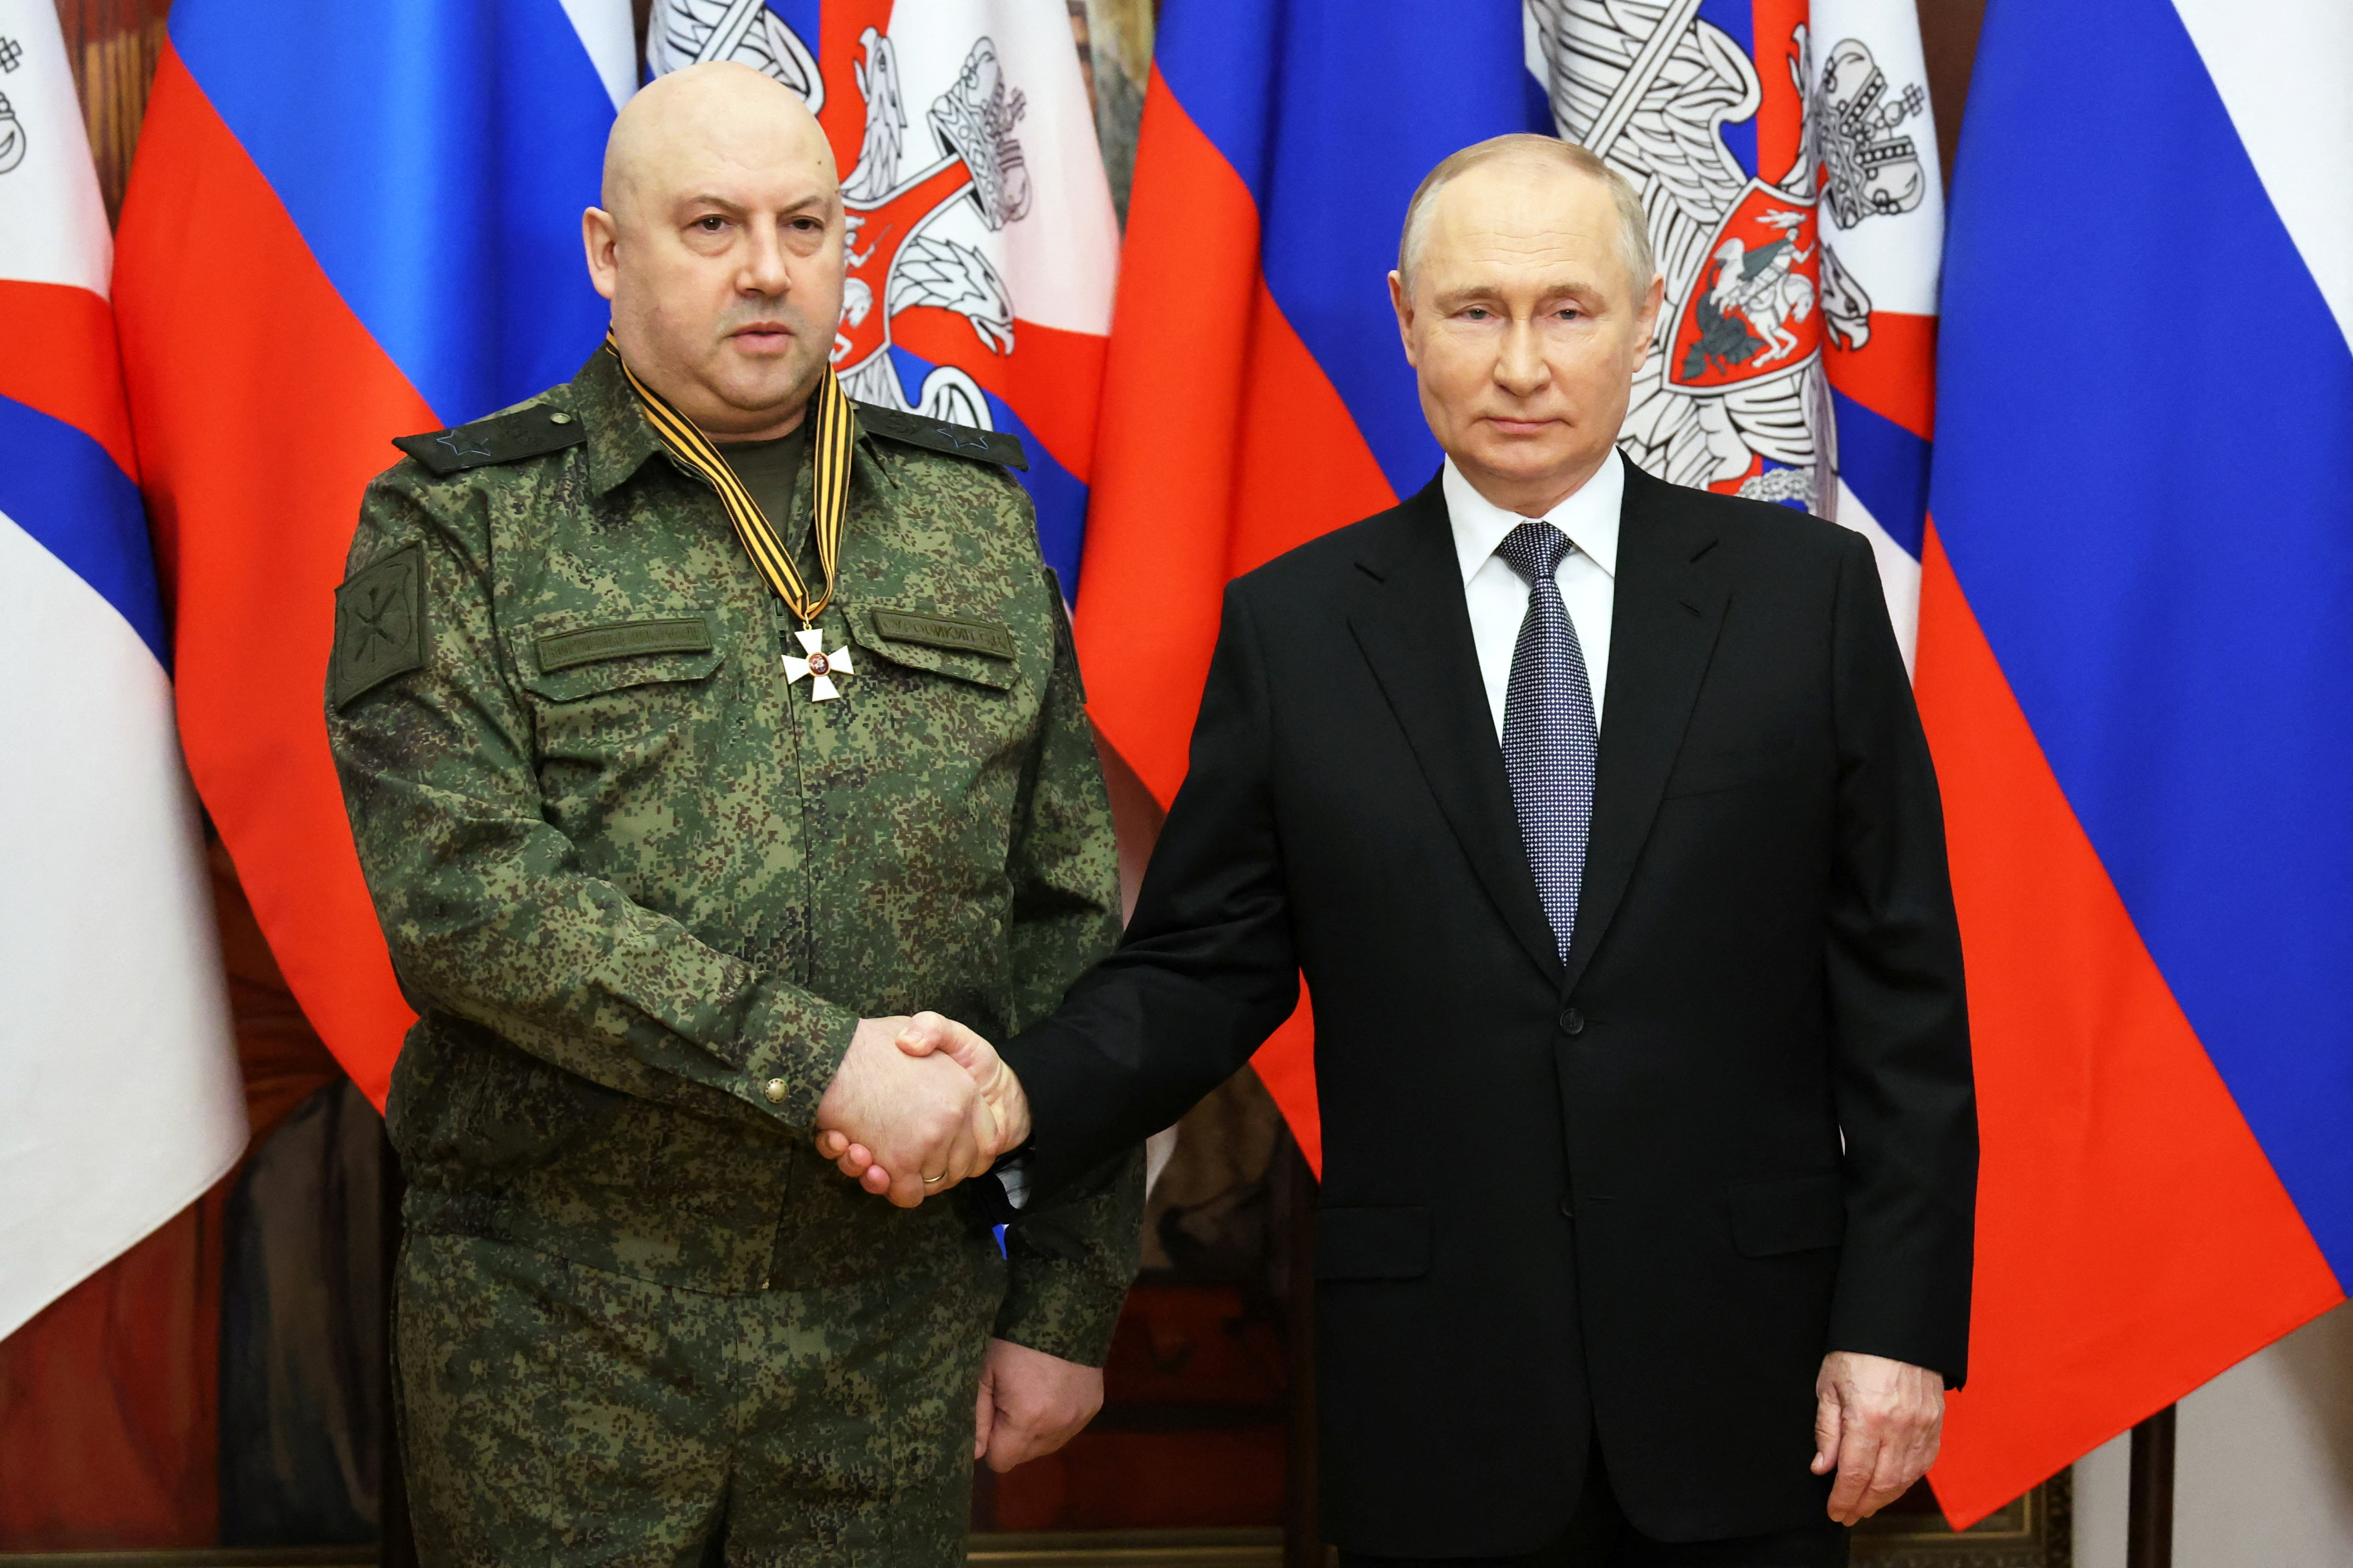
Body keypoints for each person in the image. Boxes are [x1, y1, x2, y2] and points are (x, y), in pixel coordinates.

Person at [823, 135, 1977, 1566]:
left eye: (1565, 310)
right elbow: (1199, 973)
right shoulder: (1296, 631)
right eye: (1474, 310)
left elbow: (1903, 1006)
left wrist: (1897, 1329)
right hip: (1436, 1405)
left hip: (1747, 1384)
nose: (1519, 363)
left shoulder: (1801, 604)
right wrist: (1008, 1096)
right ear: (1403, 321)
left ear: (1644, 317)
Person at [325, 62, 1136, 1567]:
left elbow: (1067, 926)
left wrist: (1067, 1299)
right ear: (605, 253)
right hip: (558, 1341)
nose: (767, 270)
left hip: (889, 1343)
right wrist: (818, 1064)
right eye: (708, 224)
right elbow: (464, 901)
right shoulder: (462, 520)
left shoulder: (967, 514)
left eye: (806, 223)